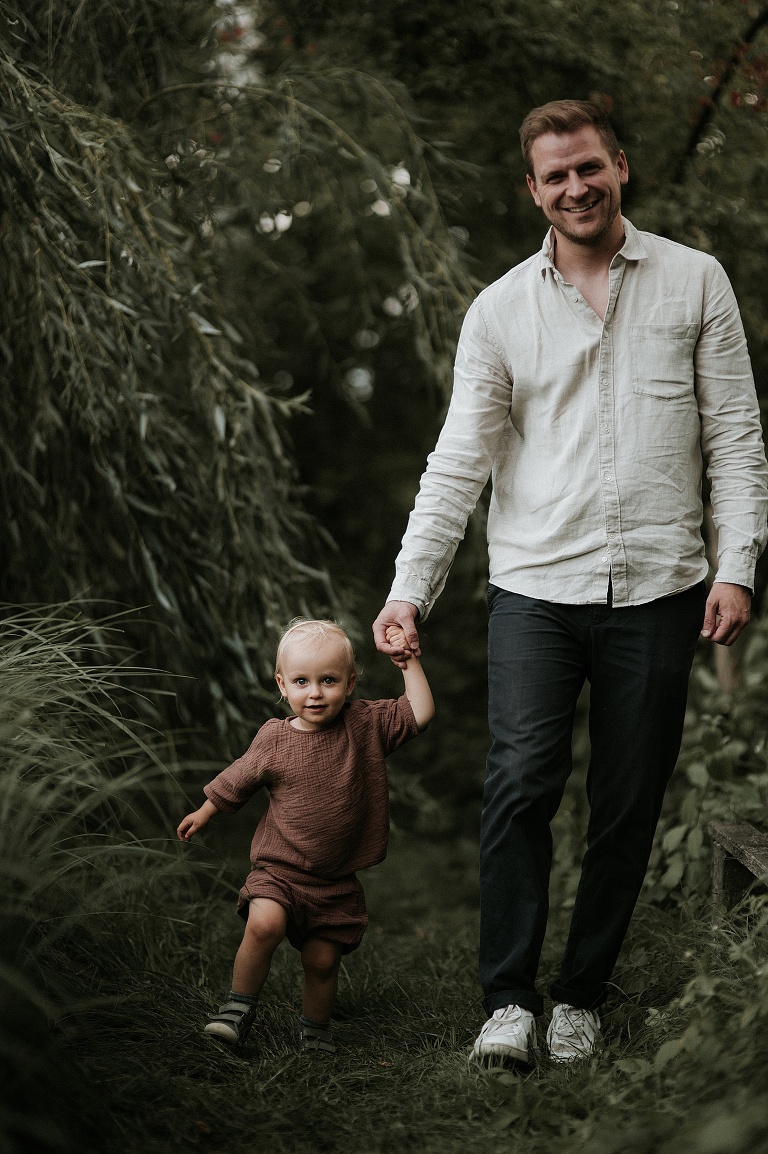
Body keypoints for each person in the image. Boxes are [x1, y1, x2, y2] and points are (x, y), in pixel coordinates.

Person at [373, 99, 768, 1065]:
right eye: (556, 175)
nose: (576, 187)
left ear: (619, 166)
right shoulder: (500, 310)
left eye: (589, 166)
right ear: (533, 190)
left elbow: (735, 436)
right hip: (535, 591)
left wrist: (737, 567)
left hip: (663, 589)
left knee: (628, 802)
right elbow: (458, 462)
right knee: (519, 785)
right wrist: (409, 588)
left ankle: (580, 996)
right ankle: (508, 1001)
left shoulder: (695, 280)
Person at [178, 618, 434, 1052]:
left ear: (350, 683)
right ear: (282, 684)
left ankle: (314, 1033)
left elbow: (420, 713)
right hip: (279, 869)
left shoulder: (365, 725)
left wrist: (406, 660)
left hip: (334, 881)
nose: (315, 692)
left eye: (328, 680)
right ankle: (236, 1010)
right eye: (302, 681)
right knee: (264, 924)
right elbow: (239, 777)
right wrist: (205, 811)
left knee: (322, 960)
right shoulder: (274, 738)